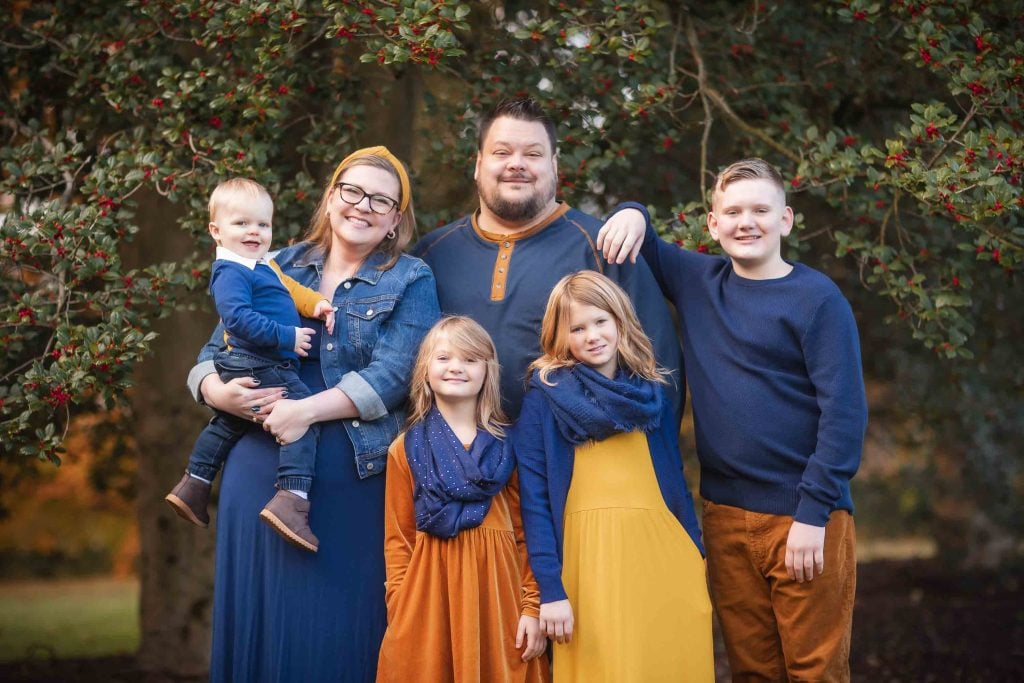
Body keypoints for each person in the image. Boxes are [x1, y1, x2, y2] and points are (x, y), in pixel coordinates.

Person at [597, 158, 868, 681]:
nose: (748, 222)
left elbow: (845, 414)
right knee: (751, 669)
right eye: (734, 211)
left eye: (761, 210)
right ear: (713, 224)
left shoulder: (817, 301)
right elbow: (645, 240)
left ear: (786, 220)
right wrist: (632, 211)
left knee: (815, 670)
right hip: (724, 515)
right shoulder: (700, 279)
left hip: (805, 517)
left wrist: (813, 514)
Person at [184, 147, 441, 682]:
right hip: (256, 470)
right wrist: (216, 393)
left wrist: (304, 412)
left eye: (380, 200)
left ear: (395, 219)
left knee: (338, 636)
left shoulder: (411, 279)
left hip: (352, 478)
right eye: (351, 191)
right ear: (331, 197)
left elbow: (395, 376)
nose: (362, 206)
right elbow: (212, 354)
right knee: (263, 627)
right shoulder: (275, 262)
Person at [413, 97, 682, 419]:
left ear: (554, 166)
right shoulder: (431, 255)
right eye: (502, 152)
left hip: (574, 461)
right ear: (478, 163)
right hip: (456, 461)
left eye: (532, 154)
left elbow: (658, 367)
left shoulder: (604, 247)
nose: (516, 164)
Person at [513, 271, 713, 682]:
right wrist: (550, 590)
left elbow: (672, 479)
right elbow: (534, 500)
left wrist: (695, 550)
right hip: (588, 564)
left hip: (663, 555)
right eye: (578, 328)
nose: (592, 336)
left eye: (601, 322)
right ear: (561, 336)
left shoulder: (650, 393)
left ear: (621, 321)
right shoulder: (546, 397)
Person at [166, 178, 336, 552]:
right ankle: (292, 498)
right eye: (242, 223)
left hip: (260, 360)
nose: (254, 232)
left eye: (263, 224)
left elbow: (291, 290)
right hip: (258, 359)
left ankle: (194, 483)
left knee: (230, 420)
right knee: (301, 414)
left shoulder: (262, 265)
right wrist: (287, 336)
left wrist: (317, 305)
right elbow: (238, 319)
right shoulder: (230, 272)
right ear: (216, 231)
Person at [376, 316, 549, 682]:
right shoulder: (404, 450)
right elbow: (399, 539)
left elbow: (528, 532)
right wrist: (401, 607)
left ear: (487, 371)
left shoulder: (510, 448)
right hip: (429, 597)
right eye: (444, 358)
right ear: (425, 369)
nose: (456, 367)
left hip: (497, 597)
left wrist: (532, 607)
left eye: (470, 359)